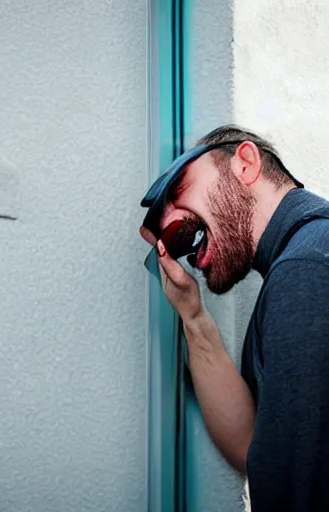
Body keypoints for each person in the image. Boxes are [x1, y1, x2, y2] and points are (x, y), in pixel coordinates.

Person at [139, 125, 329, 511]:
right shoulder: (299, 264)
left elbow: (295, 493)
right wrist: (193, 316)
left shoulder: (305, 269)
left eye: (178, 191)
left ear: (245, 164)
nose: (173, 230)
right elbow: (254, 448)